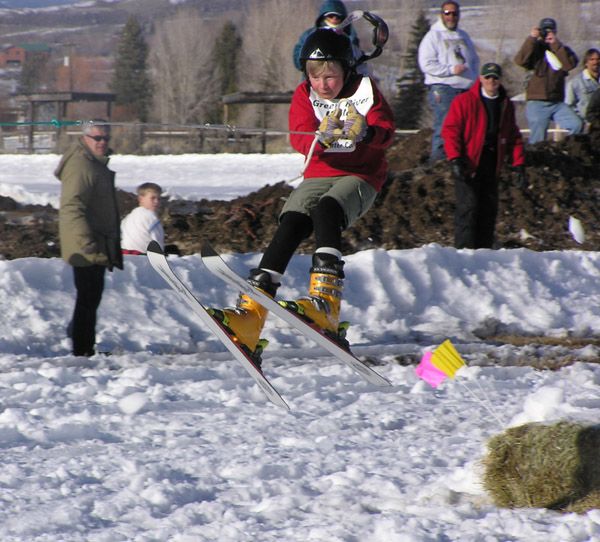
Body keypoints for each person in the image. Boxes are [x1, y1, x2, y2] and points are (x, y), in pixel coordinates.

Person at [209, 28, 395, 366]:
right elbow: (298, 139)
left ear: (346, 71)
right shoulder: (304, 95)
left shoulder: (365, 93)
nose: (323, 84)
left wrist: (366, 131)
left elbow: (387, 132)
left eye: (331, 76)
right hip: (319, 172)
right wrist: (318, 136)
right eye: (315, 76)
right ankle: (250, 315)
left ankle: (326, 302)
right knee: (292, 221)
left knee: (327, 210)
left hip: (360, 175)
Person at [55, 121, 122, 357]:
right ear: (85, 139)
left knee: (90, 296)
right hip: (87, 244)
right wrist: (85, 241)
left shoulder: (93, 163)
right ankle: (82, 349)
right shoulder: (82, 165)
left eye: (106, 138)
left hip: (94, 241)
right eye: (97, 138)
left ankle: (80, 339)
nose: (102, 142)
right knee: (88, 297)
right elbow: (72, 206)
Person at [441, 62, 525, 249]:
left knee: (488, 208)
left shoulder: (505, 104)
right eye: (487, 77)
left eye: (495, 78)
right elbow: (451, 130)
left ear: (500, 80)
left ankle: (484, 251)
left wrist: (518, 163)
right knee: (468, 207)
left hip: (492, 161)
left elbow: (512, 135)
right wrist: (455, 158)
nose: (491, 81)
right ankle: (463, 251)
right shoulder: (465, 101)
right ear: (480, 79)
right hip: (468, 162)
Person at [418, 1, 479, 163]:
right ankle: (438, 163)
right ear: (441, 14)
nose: (451, 16)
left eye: (454, 13)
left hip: (466, 89)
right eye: (447, 13)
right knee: (445, 125)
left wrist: (475, 81)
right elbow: (426, 64)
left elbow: (474, 61)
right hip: (444, 89)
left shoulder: (463, 36)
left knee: (466, 127)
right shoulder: (433, 36)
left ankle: (461, 160)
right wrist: (450, 70)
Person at [514, 17, 582, 144]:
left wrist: (556, 45)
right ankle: (537, 162)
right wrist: (532, 39)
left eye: (551, 31)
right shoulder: (534, 49)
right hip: (537, 101)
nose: (548, 34)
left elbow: (568, 65)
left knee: (576, 125)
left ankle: (568, 152)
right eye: (545, 31)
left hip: (557, 102)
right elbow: (520, 60)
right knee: (537, 141)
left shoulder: (561, 49)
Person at [293, 0, 367, 75]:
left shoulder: (350, 36)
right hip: (314, 79)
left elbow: (357, 60)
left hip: (343, 80)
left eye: (338, 16)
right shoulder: (309, 35)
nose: (334, 19)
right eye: (331, 16)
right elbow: (298, 60)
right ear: (323, 16)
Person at [121, 182, 165, 255]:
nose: (156, 201)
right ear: (141, 199)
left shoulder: (128, 217)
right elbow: (157, 242)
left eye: (159, 198)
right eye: (153, 198)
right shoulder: (150, 216)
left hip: (126, 256)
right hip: (143, 258)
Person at [565, 48, 600, 121]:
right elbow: (569, 105)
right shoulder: (575, 83)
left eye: (598, 59)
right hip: (586, 123)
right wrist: (578, 121)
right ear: (586, 63)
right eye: (592, 59)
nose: (595, 62)